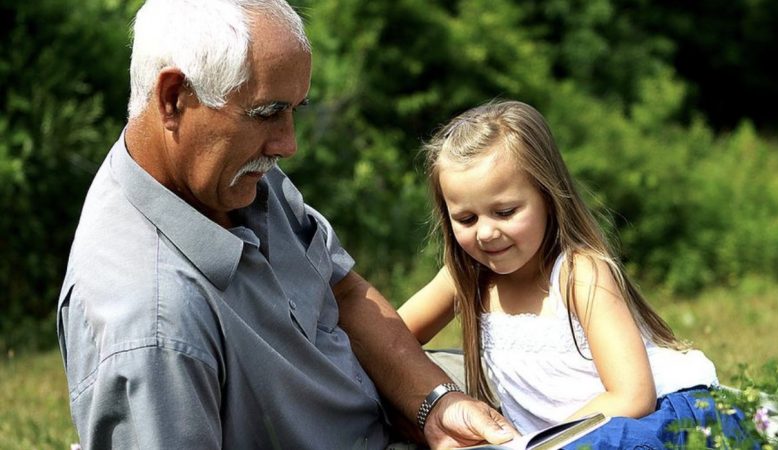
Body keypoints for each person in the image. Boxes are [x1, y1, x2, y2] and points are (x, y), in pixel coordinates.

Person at [55, 1, 517, 449]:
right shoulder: (151, 326)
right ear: (174, 98)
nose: (287, 144)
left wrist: (434, 405)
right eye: (267, 113)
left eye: (294, 109)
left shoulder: (228, 175)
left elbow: (344, 292)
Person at [398, 100, 749, 448]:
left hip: (655, 415)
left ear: (548, 197)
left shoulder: (578, 273)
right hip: (568, 438)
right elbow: (391, 339)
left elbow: (633, 396)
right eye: (467, 219)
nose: (486, 232)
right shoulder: (465, 277)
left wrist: (539, 445)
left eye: (505, 212)